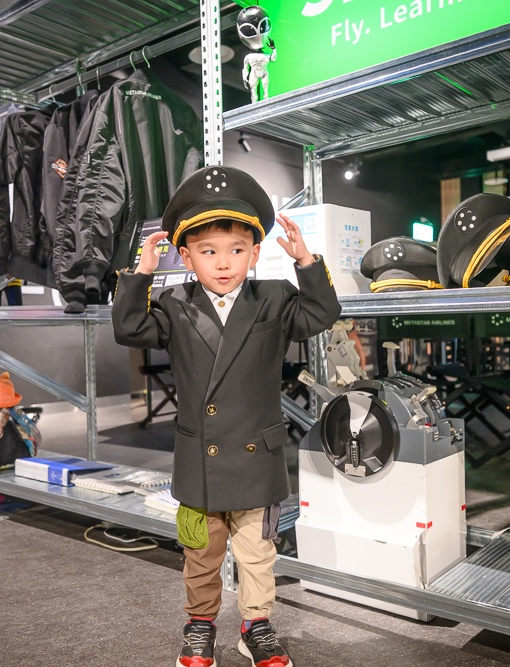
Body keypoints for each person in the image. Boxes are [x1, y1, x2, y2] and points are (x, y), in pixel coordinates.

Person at [112, 165, 341, 667]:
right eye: (208, 251)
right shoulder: (173, 303)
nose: (223, 263)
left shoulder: (275, 298)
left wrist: (305, 261)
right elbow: (128, 328)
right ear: (187, 257)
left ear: (255, 253)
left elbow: (322, 315)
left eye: (237, 250)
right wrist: (141, 272)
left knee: (258, 555)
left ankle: (256, 625)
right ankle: (200, 625)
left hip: (257, 458)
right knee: (201, 554)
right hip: (201, 460)